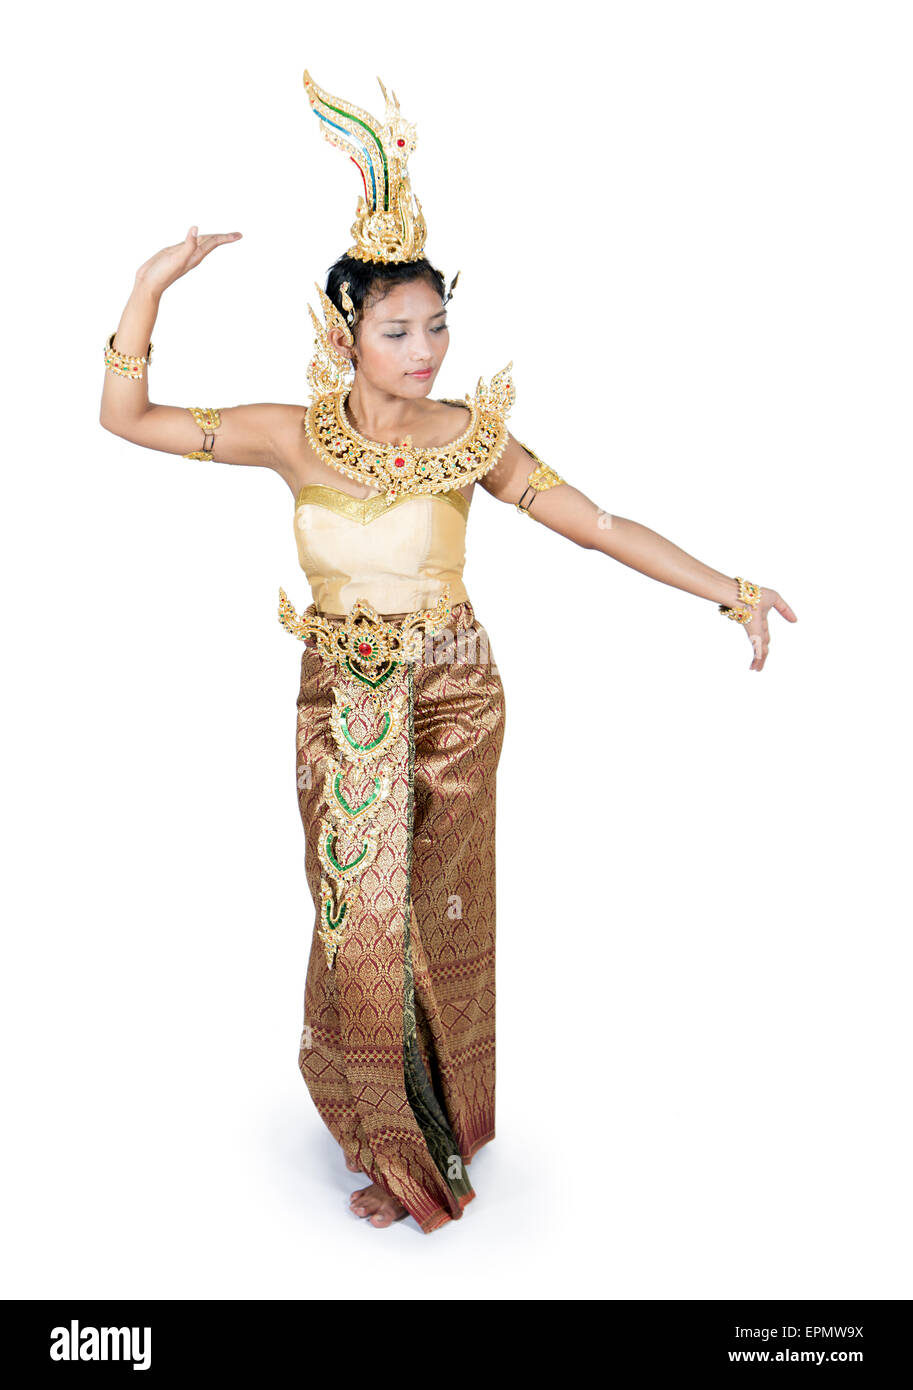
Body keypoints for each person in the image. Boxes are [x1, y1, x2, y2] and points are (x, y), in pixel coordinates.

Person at [99, 69, 798, 1235]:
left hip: (457, 691)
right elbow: (127, 419)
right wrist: (144, 289)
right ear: (344, 332)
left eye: (437, 326)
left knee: (439, 910)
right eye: (398, 329)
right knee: (354, 920)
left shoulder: (471, 437)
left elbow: (599, 523)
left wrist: (726, 589)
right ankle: (381, 1127)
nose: (424, 351)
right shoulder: (288, 434)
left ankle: (433, 1136)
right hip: (338, 699)